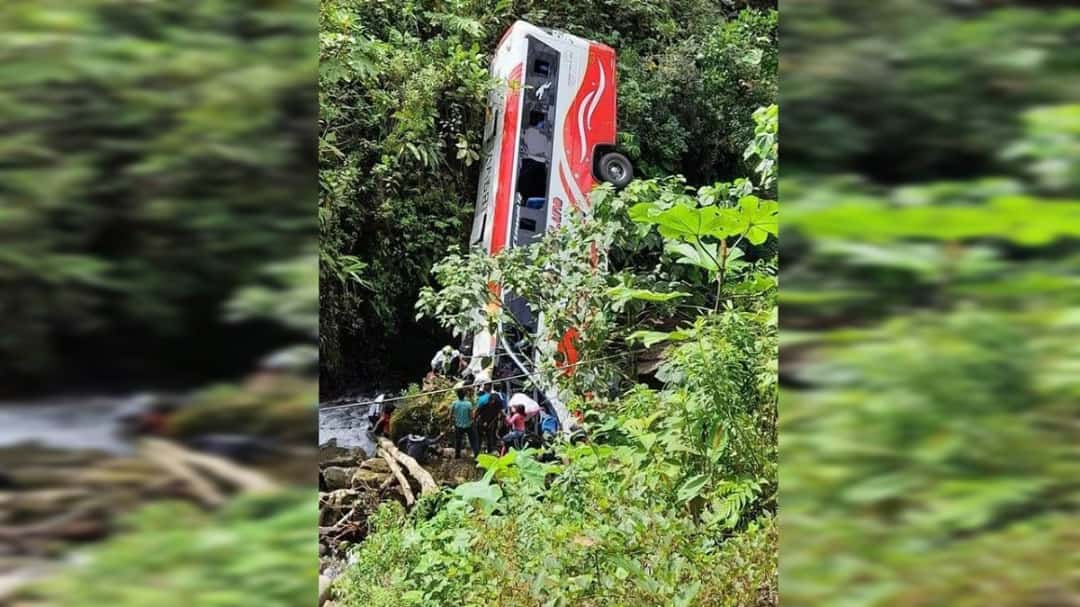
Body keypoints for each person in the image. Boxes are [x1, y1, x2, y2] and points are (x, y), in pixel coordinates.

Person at [450, 387, 479, 458]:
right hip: (468, 425)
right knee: (473, 440)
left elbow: (450, 415)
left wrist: (451, 424)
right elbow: (471, 417)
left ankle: (457, 455)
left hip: (458, 425)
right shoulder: (468, 404)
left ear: (457, 395)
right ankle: (476, 455)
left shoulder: (454, 403)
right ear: (464, 395)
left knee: (458, 441)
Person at [474, 384, 504, 453]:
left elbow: (476, 412)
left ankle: (479, 452)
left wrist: (474, 420)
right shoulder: (496, 404)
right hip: (489, 423)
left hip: (485, 422)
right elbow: (501, 413)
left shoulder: (484, 403)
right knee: (488, 437)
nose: (492, 402)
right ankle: (488, 451)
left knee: (481, 438)